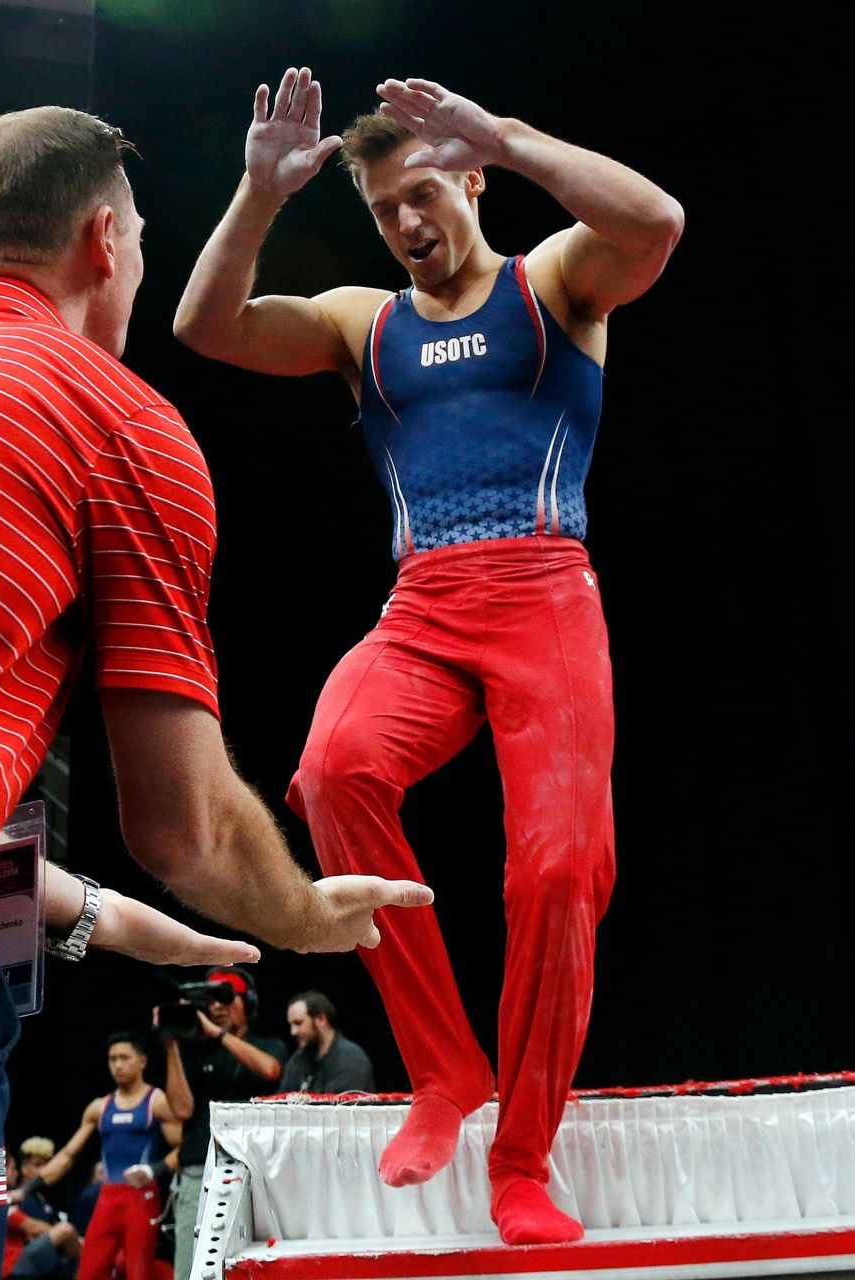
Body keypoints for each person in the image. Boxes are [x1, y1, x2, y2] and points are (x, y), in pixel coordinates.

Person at [0, 104, 434, 1278]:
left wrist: (118, 925)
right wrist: (300, 914)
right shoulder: (117, 414)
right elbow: (182, 826)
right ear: (100, 241)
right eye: (138, 236)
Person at [173, 68, 683, 1244]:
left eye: (419, 195)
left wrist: (506, 135)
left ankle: (520, 1156)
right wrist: (258, 194)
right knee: (331, 768)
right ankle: (443, 1072)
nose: (404, 225)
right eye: (380, 209)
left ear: (464, 179)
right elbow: (206, 326)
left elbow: (653, 224)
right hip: (423, 607)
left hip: (545, 593)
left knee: (556, 872)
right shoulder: (365, 320)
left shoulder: (551, 283)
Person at [157, 967, 285, 1280]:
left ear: (249, 1002)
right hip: (198, 1169)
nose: (217, 1006)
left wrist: (218, 1035)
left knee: (253, 1262)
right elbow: (181, 1109)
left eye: (227, 998)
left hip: (253, 1171)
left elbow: (270, 1071)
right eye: (211, 1000)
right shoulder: (194, 1050)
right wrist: (171, 1046)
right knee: (190, 1267)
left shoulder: (267, 1045)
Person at [14, 1033, 176, 1280]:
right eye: (112, 1059)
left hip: (141, 1198)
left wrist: (155, 1169)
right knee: (89, 1272)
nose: (118, 1065)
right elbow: (68, 1155)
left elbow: (184, 1148)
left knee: (138, 1273)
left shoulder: (156, 1102)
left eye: (124, 1058)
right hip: (107, 1198)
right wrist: (25, 1190)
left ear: (142, 1061)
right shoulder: (99, 1107)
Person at [3, 1150, 81, 1280]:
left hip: (23, 1257)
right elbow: (35, 1228)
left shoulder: (42, 1198)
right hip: (10, 1267)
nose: (15, 1173)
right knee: (66, 1231)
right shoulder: (3, 1198)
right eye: (13, 1168)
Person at [282, 990, 374, 1093]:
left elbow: (340, 1105)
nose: (293, 1032)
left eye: (298, 1023)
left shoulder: (350, 1058)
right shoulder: (298, 1060)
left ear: (321, 1019)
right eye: (291, 1025)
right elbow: (282, 1099)